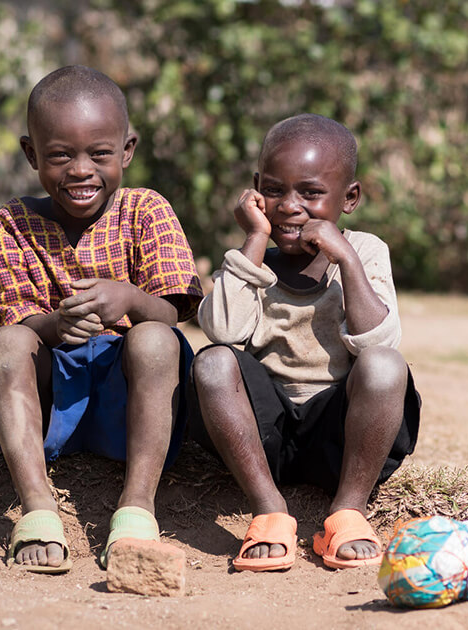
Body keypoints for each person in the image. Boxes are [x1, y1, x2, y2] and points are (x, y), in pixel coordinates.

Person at [0, 65, 203, 574]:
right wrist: (54, 327)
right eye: (60, 155)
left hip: (128, 394)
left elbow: (173, 310)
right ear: (31, 154)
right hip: (52, 398)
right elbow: (14, 316)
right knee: (6, 344)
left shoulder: (146, 210)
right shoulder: (13, 222)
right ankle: (37, 507)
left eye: (99, 154)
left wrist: (130, 299)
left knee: (155, 339)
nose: (81, 170)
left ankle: (137, 507)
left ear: (127, 150)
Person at [188, 113, 421, 572]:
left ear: (349, 198)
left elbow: (380, 339)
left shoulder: (364, 250)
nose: (290, 207)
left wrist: (346, 259)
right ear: (256, 189)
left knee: (385, 365)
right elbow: (223, 331)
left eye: (311, 193)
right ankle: (269, 509)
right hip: (263, 436)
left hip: (342, 436)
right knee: (212, 362)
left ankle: (348, 510)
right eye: (274, 190)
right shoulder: (251, 260)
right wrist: (255, 238)